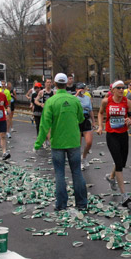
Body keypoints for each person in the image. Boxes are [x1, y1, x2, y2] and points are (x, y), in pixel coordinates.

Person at [34, 73, 88, 211]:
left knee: (59, 174)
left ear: (55, 84)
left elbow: (44, 125)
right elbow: (81, 118)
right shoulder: (74, 100)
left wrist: (38, 143)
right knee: (76, 172)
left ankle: (61, 205)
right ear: (66, 84)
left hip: (57, 142)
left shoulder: (51, 102)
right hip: (74, 141)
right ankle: (81, 204)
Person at [96, 80, 131, 207]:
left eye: (122, 88)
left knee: (122, 162)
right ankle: (124, 195)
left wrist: (130, 121)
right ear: (112, 90)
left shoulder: (127, 102)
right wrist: (100, 126)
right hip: (111, 134)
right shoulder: (106, 101)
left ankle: (111, 177)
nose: (120, 90)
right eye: (118, 88)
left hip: (123, 134)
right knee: (118, 163)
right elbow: (100, 113)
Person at [75, 83, 94, 169]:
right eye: (79, 89)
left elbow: (90, 110)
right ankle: (78, 161)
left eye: (83, 88)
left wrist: (93, 121)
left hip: (86, 120)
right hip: (77, 120)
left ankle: (84, 157)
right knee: (78, 143)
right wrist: (76, 94)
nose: (81, 90)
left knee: (89, 142)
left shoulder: (87, 98)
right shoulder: (74, 97)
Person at [34, 78, 54, 149]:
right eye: (47, 82)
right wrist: (40, 104)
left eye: (50, 82)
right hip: (44, 112)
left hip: (52, 112)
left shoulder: (53, 92)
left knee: (51, 128)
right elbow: (36, 101)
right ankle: (45, 141)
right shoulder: (42, 92)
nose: (49, 84)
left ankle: (49, 141)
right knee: (45, 128)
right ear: (45, 83)